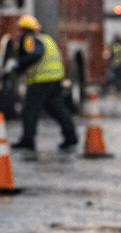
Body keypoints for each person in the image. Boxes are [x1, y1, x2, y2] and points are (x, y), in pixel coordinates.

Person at [10, 14, 78, 152]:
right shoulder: (46, 38)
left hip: (41, 80)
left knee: (30, 110)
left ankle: (27, 140)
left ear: (25, 29)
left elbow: (35, 54)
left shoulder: (32, 39)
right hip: (55, 79)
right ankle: (71, 137)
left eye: (21, 30)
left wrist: (18, 66)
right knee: (57, 109)